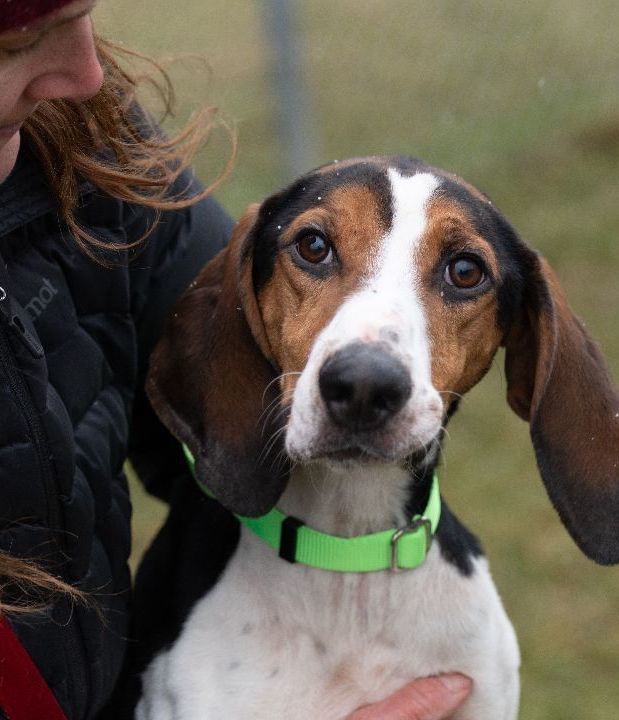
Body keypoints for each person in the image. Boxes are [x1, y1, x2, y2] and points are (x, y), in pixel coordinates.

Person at [0, 2, 472, 718]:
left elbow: (228, 384)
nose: (87, 74)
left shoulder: (83, 141)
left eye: (83, 11)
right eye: (18, 44)